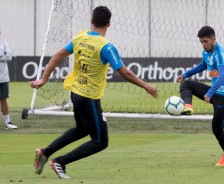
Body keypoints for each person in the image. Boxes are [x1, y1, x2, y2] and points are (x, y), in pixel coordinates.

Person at [30, 6, 158, 179]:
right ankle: (60, 162)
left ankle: (46, 152)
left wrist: (43, 79)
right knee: (100, 141)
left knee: (82, 129)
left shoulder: (80, 37)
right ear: (109, 24)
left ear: (91, 21)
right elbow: (124, 72)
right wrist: (147, 86)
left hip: (75, 93)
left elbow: (57, 56)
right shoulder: (106, 47)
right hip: (89, 96)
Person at [176, 26, 224, 166]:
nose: (203, 45)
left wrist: (209, 93)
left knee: (217, 129)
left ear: (213, 39)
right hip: (215, 92)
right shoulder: (206, 53)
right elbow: (203, 65)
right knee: (186, 84)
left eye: (205, 41)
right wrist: (185, 74)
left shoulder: (221, 53)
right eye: (201, 42)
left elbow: (222, 76)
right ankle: (188, 106)